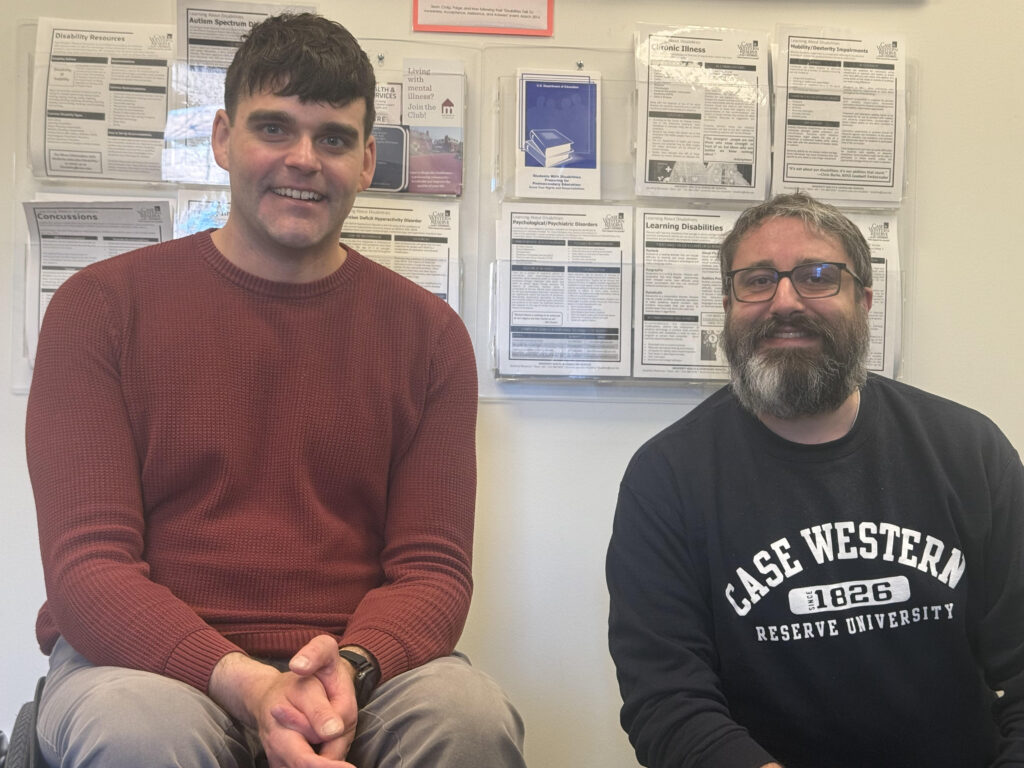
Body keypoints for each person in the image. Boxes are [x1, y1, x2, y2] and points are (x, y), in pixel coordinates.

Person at [26, 13, 525, 768]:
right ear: (223, 138)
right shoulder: (100, 309)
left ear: (365, 161)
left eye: (333, 138)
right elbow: (87, 568)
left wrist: (351, 671)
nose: (303, 159)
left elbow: (432, 572)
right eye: (274, 128)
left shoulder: (428, 336)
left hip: (353, 666)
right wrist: (246, 684)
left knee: (469, 718)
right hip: (143, 667)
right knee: (139, 735)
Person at [606, 192, 1024, 767]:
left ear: (865, 300)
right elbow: (666, 701)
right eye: (757, 281)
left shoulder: (970, 452)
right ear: (728, 304)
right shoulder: (666, 479)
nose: (785, 301)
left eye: (818, 276)